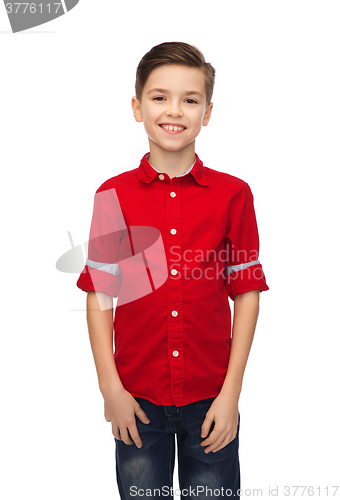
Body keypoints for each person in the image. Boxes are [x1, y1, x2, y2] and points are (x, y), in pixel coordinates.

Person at [76, 41, 269, 499]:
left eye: (190, 99)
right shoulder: (114, 196)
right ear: (137, 107)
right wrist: (111, 390)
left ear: (207, 112)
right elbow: (101, 295)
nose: (174, 110)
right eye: (159, 97)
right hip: (136, 399)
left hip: (210, 397)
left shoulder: (233, 195)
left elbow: (246, 293)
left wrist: (230, 395)